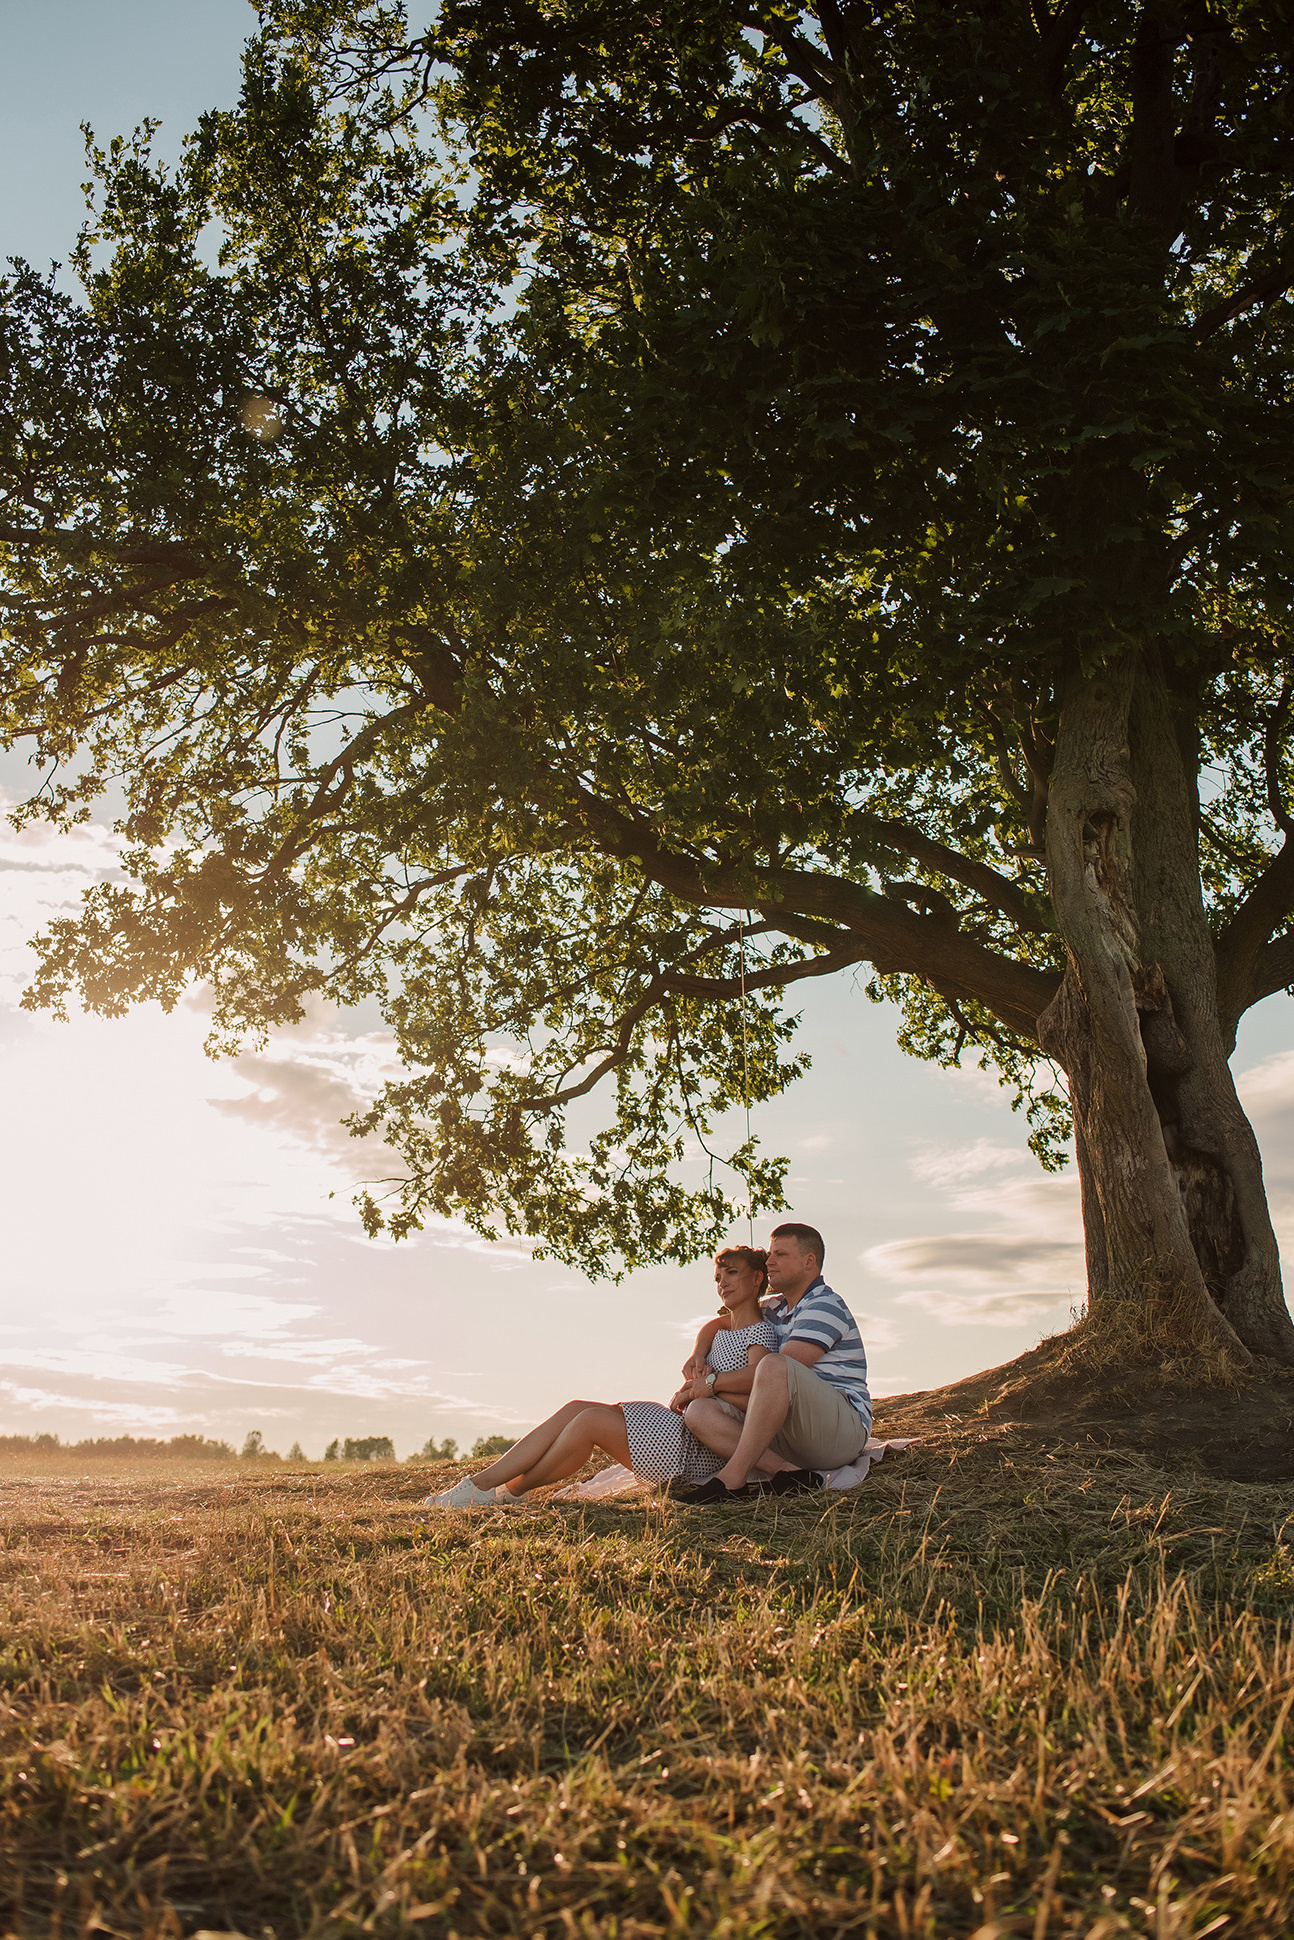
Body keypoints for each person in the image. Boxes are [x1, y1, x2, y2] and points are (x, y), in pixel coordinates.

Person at [421, 1246, 781, 1508]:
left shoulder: (760, 1334)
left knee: (589, 1422)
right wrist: (699, 1358)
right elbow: (713, 1328)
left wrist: (702, 1389)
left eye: (731, 1273)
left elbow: (756, 1385)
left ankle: (499, 1490)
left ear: (756, 1278)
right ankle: (491, 1488)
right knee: (576, 1407)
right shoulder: (720, 1331)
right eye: (718, 1277)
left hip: (699, 1450)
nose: (722, 1283)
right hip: (681, 1428)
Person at [677, 1221, 871, 1504]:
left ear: (809, 1261)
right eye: (770, 1254)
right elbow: (718, 1324)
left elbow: (776, 1373)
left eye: (780, 1254)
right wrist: (698, 1355)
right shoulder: (773, 1307)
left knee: (774, 1364)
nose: (769, 1261)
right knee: (699, 1411)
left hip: (838, 1433)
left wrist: (709, 1384)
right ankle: (787, 1473)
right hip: (790, 1432)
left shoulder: (824, 1305)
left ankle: (732, 1481)